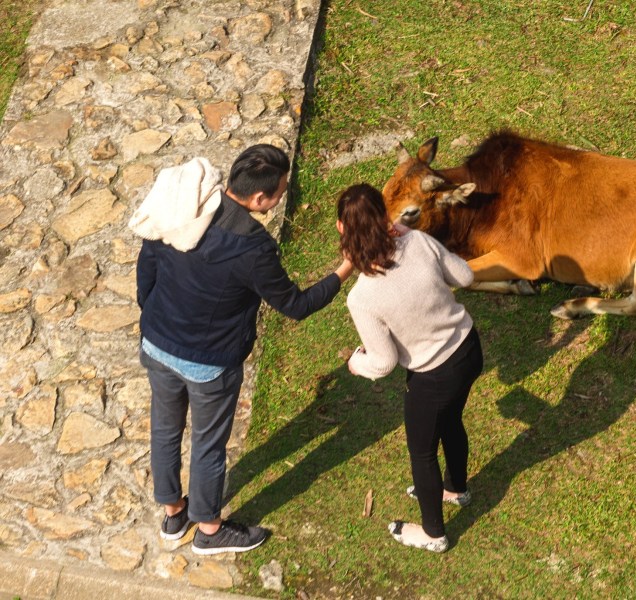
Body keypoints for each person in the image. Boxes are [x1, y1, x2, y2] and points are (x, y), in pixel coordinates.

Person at [131, 144, 353, 555]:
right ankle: (210, 531)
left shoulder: (181, 205)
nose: (282, 196)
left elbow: (147, 268)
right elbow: (296, 306)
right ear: (259, 199)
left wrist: (156, 318)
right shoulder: (252, 246)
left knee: (164, 429)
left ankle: (173, 513)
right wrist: (344, 270)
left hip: (157, 344)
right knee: (208, 444)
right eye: (281, 191)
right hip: (208, 363)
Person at [337, 183, 483, 553]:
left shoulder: (363, 297)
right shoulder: (417, 241)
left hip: (433, 376)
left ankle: (434, 534)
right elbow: (464, 277)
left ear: (342, 229)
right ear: (386, 216)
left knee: (422, 453)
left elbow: (383, 362)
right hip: (468, 349)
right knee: (450, 421)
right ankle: (456, 488)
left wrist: (357, 362)